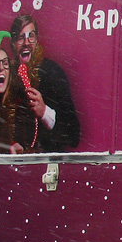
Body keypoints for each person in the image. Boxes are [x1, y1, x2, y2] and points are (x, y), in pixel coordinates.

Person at [10, 13, 80, 152]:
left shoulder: (52, 72)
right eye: (20, 37)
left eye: (31, 36)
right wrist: (9, 144)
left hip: (47, 164)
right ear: (12, 44)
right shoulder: (7, 76)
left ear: (37, 40)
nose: (26, 43)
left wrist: (45, 113)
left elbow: (73, 135)